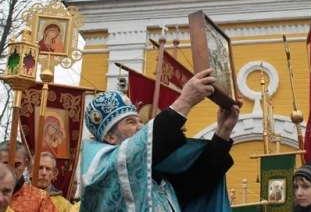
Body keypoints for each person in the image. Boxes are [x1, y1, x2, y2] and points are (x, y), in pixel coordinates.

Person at [80, 68, 239, 211]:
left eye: (140, 121)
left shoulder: (158, 178)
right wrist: (185, 101)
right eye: (130, 122)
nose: (141, 126)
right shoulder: (104, 170)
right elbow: (133, 152)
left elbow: (198, 182)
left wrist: (223, 130)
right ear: (110, 137)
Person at [0, 141, 57, 212]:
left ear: (25, 164)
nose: (11, 170)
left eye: (17, 165)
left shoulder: (41, 199)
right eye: (6, 164)